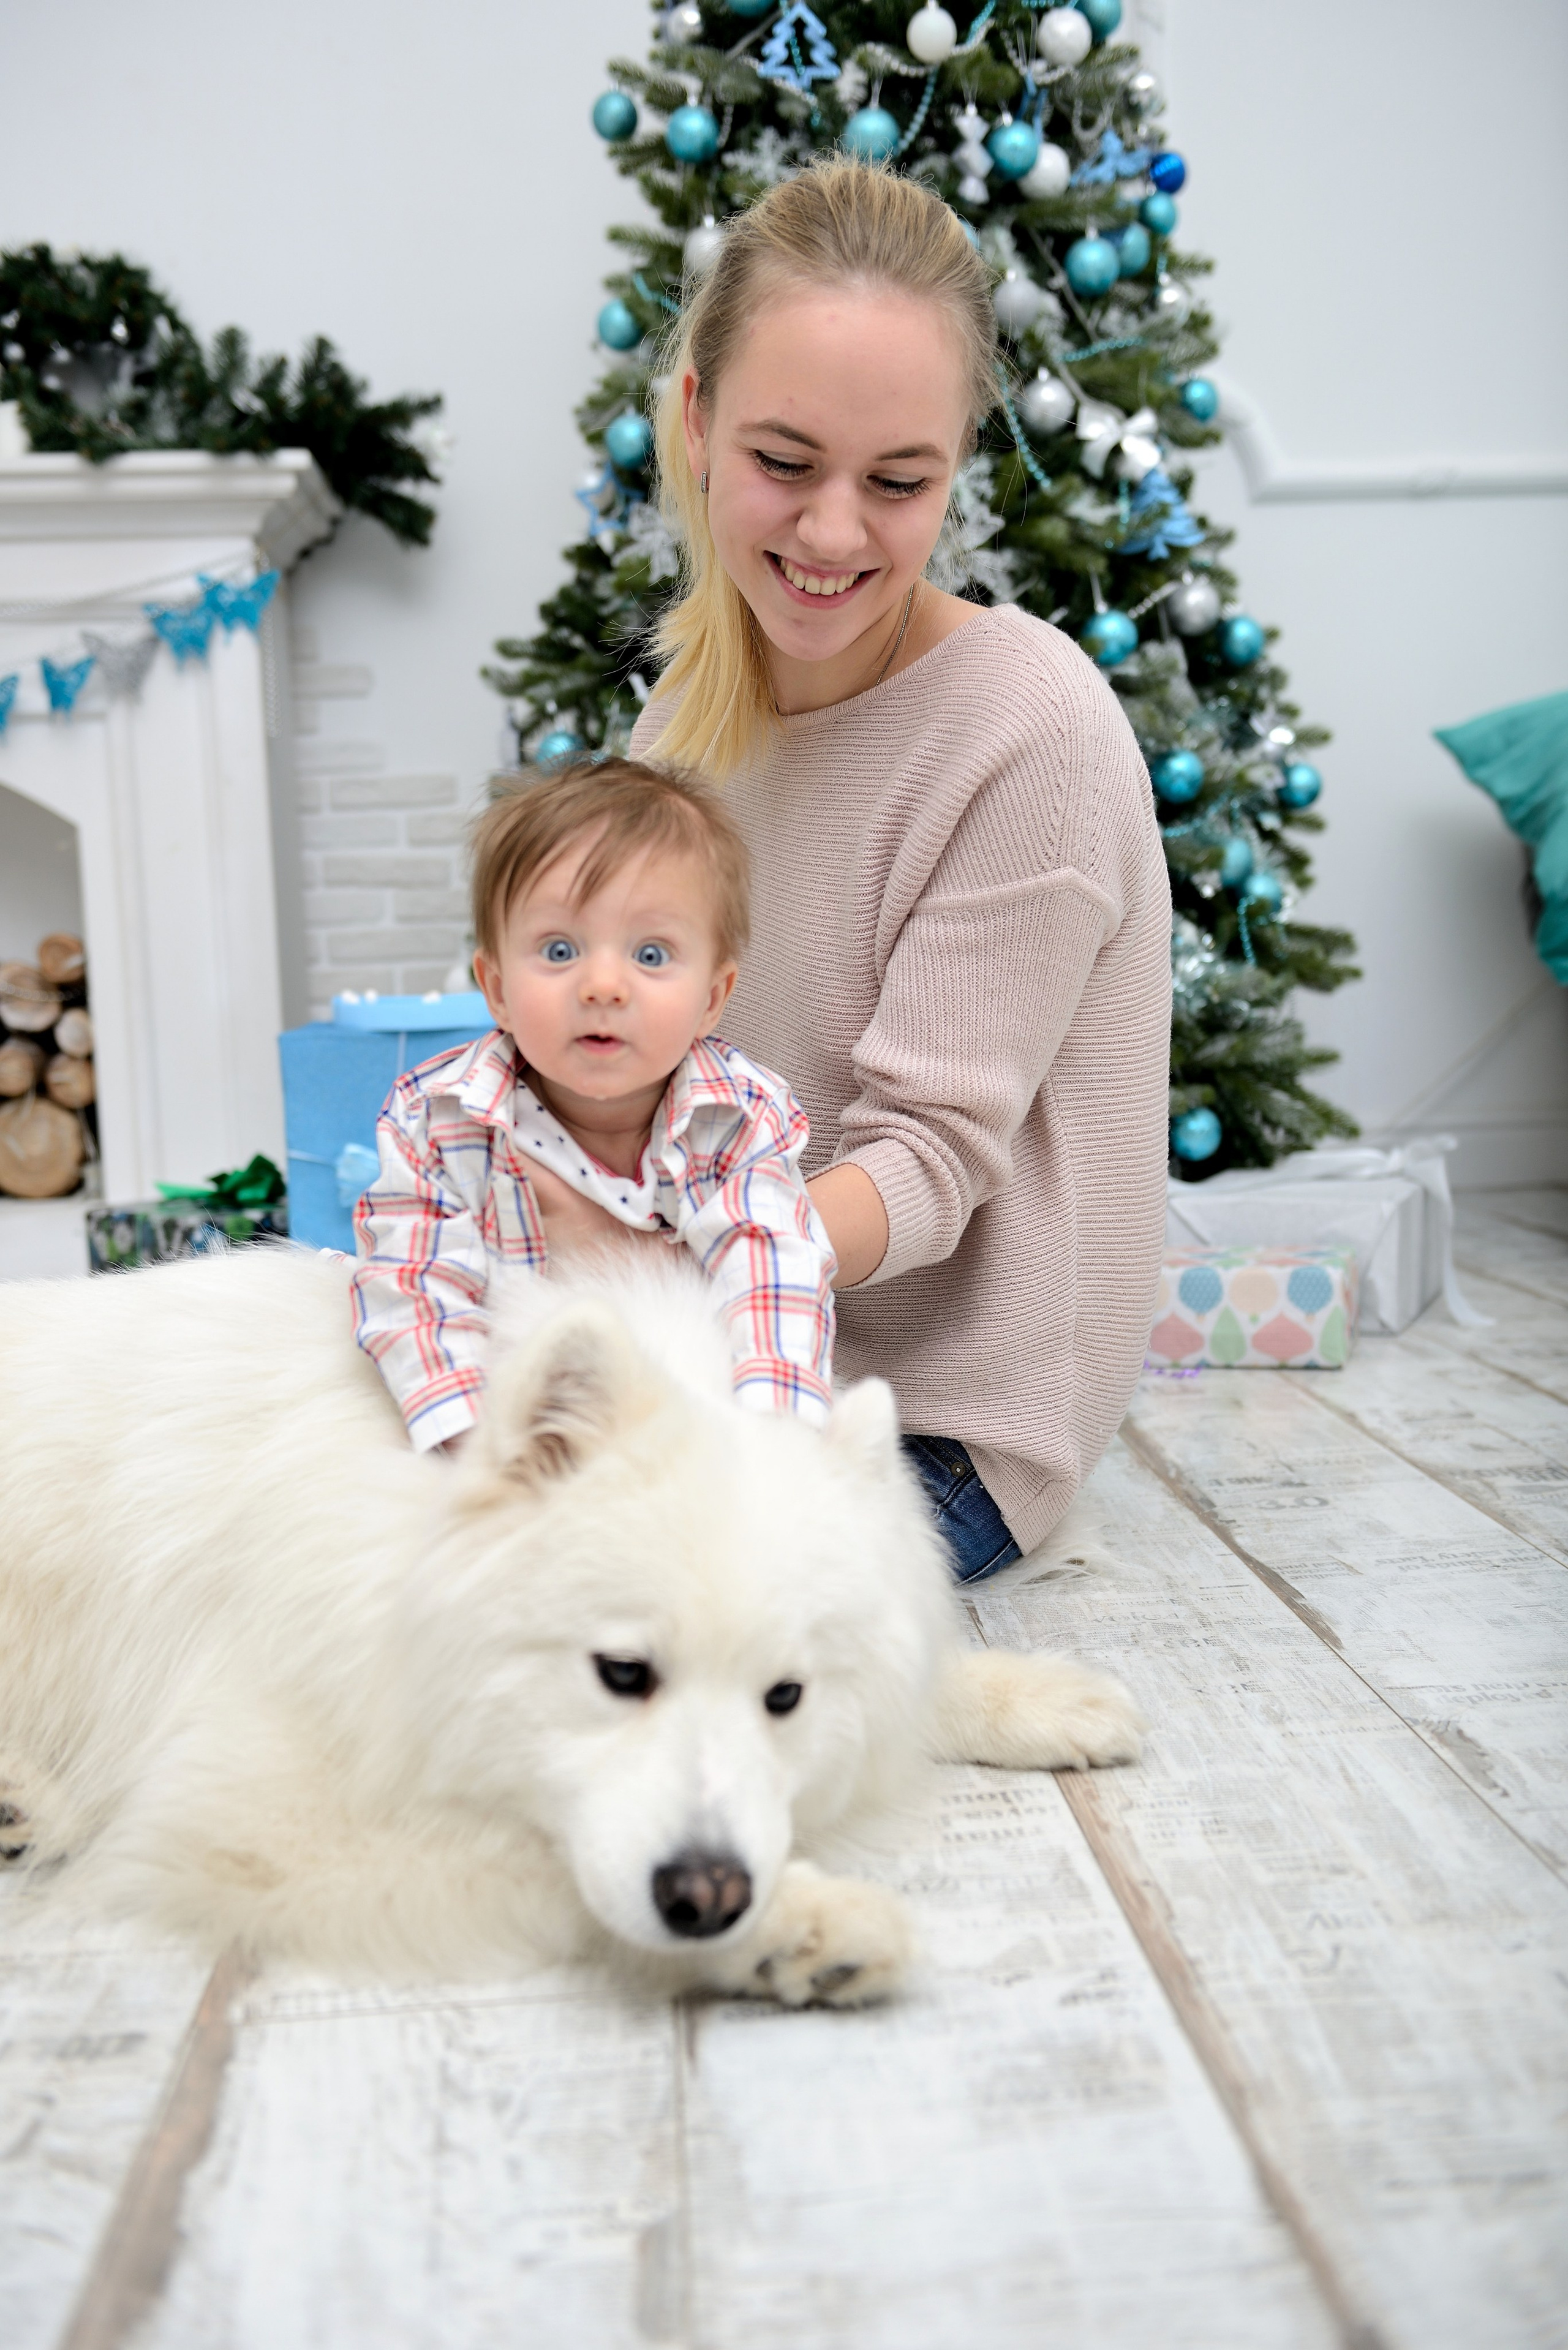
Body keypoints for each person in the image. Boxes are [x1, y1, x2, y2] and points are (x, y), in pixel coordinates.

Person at [621, 157, 1172, 1583]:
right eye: (782, 464)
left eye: (897, 481)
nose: (828, 534)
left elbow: (921, 1166)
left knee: (556, 1610)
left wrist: (685, 1252)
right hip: (718, 1360)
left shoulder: (1026, 731)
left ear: (957, 469)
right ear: (695, 421)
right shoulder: (679, 729)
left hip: (928, 1426)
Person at [349, 759, 835, 1452]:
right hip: (517, 1409)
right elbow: (414, 1285)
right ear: (495, 989)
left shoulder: (739, 1118)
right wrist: (471, 1443)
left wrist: (769, 1442)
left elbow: (775, 1274)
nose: (603, 985)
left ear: (713, 998)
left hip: (675, 1410)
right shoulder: (438, 1118)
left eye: (650, 953)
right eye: (558, 949)